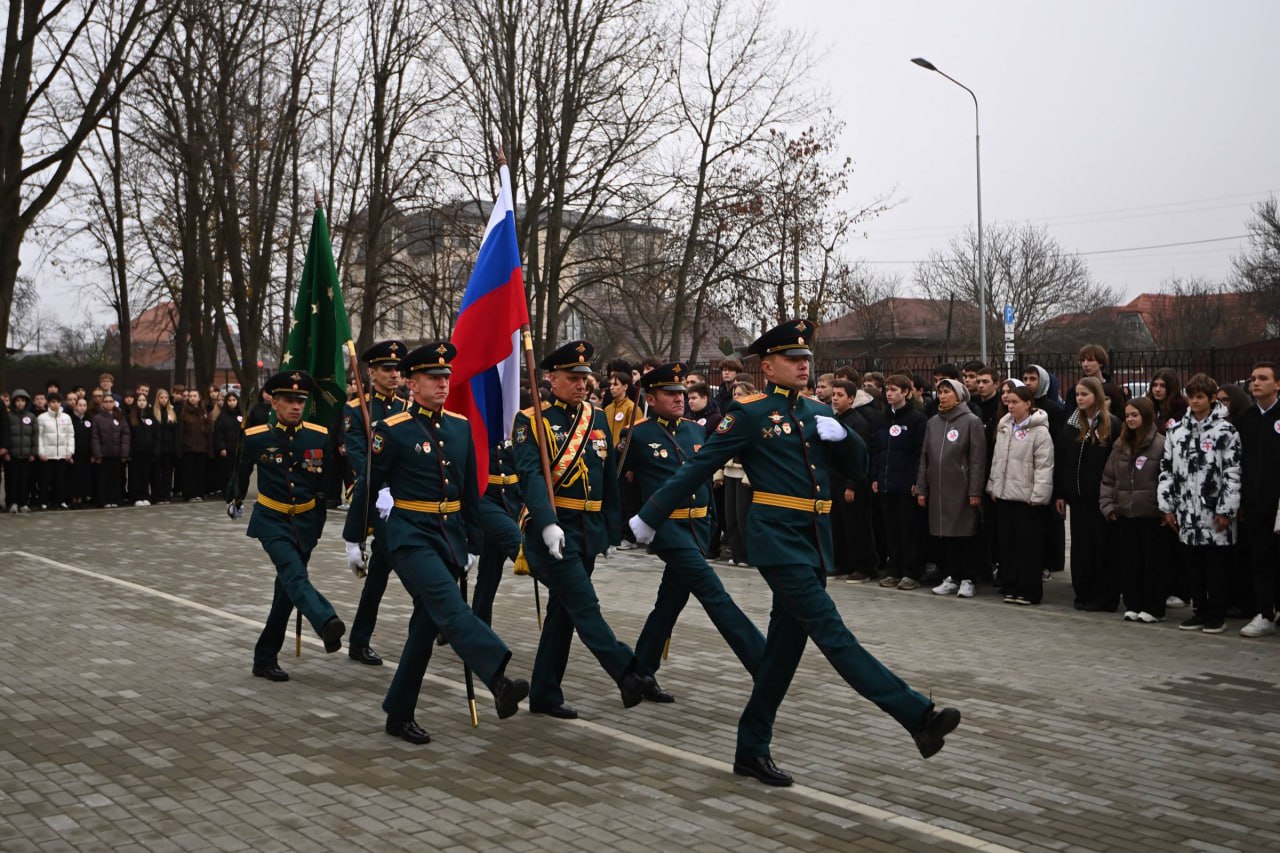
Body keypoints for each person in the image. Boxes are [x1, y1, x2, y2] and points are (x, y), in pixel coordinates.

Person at [631, 320, 961, 788]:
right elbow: (699, 467)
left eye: (807, 359)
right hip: (777, 540)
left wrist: (845, 436)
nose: (804, 366)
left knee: (783, 654)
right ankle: (917, 716)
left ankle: (750, 749)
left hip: (813, 539)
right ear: (767, 367)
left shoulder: (816, 411)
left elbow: (858, 469)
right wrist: (649, 515)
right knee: (833, 634)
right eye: (793, 359)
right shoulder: (747, 413)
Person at [354, 343, 530, 743]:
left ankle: (399, 713)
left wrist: (472, 540)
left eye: (446, 377)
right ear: (412, 384)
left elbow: (470, 492)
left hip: (448, 537)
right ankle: (499, 680)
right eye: (434, 378)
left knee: (423, 627)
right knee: (451, 608)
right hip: (410, 538)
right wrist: (355, 536)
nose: (444, 383)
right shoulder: (392, 429)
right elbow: (369, 485)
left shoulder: (460, 426)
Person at [510, 339, 654, 720]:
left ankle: (544, 692)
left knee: (565, 612)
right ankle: (627, 672)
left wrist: (610, 528)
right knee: (585, 605)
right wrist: (547, 523)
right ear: (551, 378)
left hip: (587, 530)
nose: (581, 385)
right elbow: (532, 477)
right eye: (573, 378)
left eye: (585, 378)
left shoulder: (598, 417)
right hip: (553, 533)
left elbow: (609, 477)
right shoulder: (531, 420)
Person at [621, 362, 765, 701]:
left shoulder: (694, 430)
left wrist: (712, 521)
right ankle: (763, 662)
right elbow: (618, 485)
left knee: (670, 601)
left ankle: (639, 674)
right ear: (651, 398)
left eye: (681, 394)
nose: (678, 399)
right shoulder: (637, 434)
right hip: (668, 529)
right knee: (713, 592)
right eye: (670, 394)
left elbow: (702, 476)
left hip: (698, 527)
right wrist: (629, 526)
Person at [228, 371, 346, 682]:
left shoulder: (318, 436)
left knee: (287, 592)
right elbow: (241, 472)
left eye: (301, 401)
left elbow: (325, 484)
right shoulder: (256, 437)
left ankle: (264, 658)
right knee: (294, 575)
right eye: (290, 401)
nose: (296, 406)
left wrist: (318, 522)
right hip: (271, 519)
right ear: (274, 402)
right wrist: (236, 499)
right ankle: (326, 622)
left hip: (305, 522)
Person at [341, 340, 410, 666]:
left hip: (407, 500)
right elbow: (359, 458)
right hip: (378, 501)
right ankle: (443, 618)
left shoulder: (406, 409)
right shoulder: (356, 410)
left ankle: (359, 640)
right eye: (387, 369)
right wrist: (382, 487)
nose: (394, 374)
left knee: (382, 573)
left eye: (397, 369)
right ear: (371, 372)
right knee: (411, 567)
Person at [1158, 374, 1241, 634]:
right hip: (1186, 512)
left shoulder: (1226, 431)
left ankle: (1216, 613)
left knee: (1214, 565)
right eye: (1191, 396)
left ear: (1212, 398)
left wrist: (1226, 509)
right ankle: (1199, 610)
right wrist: (1167, 506)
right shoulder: (1176, 431)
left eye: (1200, 396)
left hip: (1214, 511)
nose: (1195, 401)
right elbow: (1166, 470)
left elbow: (1233, 472)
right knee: (1192, 564)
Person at [1099, 397, 1171, 623]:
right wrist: (1108, 506)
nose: (1130, 419)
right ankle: (1133, 603)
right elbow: (1108, 478)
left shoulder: (1161, 444)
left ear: (1146, 417)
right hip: (1125, 513)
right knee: (1130, 562)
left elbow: (1168, 478)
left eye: (1135, 415)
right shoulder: (1120, 446)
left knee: (1152, 562)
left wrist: (1165, 509)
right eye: (1127, 415)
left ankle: (1153, 606)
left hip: (1150, 514)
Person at [1055, 375, 1121, 612]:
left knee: (1102, 548)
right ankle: (1083, 593)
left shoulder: (1110, 424)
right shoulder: (1073, 424)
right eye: (1077, 395)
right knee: (1081, 549)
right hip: (1078, 499)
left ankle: (1104, 596)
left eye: (1085, 394)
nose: (1080, 399)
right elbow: (1064, 461)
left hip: (1100, 500)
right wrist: (1061, 493)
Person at [986, 386, 1054, 605]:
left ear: (1028, 404)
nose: (1011, 405)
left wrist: (1038, 495)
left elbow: (1044, 466)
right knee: (1007, 544)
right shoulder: (1005, 426)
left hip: (1027, 499)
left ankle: (1029, 590)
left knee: (1028, 546)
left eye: (1016, 402)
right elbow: (997, 460)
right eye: (1009, 402)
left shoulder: (1040, 432)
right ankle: (1011, 585)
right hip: (1005, 495)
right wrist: (994, 487)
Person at [920, 380, 987, 599]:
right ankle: (952, 576)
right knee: (945, 535)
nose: (942, 396)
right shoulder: (933, 423)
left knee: (964, 534)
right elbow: (925, 457)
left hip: (962, 488)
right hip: (939, 488)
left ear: (958, 396)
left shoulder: (971, 421)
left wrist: (975, 490)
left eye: (947, 392)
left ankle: (968, 578)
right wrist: (922, 487)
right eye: (939, 392)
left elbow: (977, 459)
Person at [1236, 362, 1280, 638]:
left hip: (1279, 504)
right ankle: (1264, 612)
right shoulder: (1247, 418)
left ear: (1277, 384)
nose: (1256, 383)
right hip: (1254, 502)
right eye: (1253, 379)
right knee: (1260, 558)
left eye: (1263, 378)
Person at [872, 374, 928, 590]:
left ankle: (911, 571)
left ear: (906, 392)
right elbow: (877, 449)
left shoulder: (916, 419)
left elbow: (918, 452)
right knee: (891, 529)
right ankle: (893, 569)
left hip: (906, 483)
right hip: (886, 482)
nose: (889, 393)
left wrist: (916, 479)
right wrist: (876, 476)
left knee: (908, 529)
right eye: (887, 389)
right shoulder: (881, 418)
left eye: (894, 390)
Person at [830, 379, 878, 581]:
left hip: (852, 482)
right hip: (834, 480)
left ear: (851, 398)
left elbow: (859, 456)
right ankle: (842, 563)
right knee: (838, 525)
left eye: (839, 395)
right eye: (833, 395)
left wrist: (852, 484)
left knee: (856, 526)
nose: (834, 399)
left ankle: (864, 567)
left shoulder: (858, 423)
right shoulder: (833, 420)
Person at [719, 381, 756, 567]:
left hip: (745, 473)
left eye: (740, 394)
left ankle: (749, 555)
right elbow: (720, 445)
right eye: (734, 394)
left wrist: (751, 475)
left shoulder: (755, 417)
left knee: (744, 517)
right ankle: (737, 552)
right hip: (729, 470)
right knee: (730, 516)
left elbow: (760, 451)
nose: (736, 398)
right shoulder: (730, 417)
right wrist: (719, 472)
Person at [91, 392, 130, 508]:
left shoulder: (120, 417)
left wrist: (124, 453)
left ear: (114, 403)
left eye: (110, 401)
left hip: (117, 454)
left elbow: (126, 435)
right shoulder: (97, 418)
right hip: (104, 454)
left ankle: (115, 499)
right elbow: (95, 437)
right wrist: (97, 454)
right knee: (103, 479)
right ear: (102, 404)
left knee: (116, 478)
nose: (108, 404)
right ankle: (104, 500)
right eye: (106, 401)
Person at [36, 393, 74, 510]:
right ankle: (44, 501)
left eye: (57, 402)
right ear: (48, 403)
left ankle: (60, 501)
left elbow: (70, 436)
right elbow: (39, 437)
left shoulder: (66, 417)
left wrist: (69, 452)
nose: (55, 404)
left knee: (60, 480)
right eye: (53, 402)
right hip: (48, 455)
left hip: (62, 455)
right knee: (45, 480)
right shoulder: (42, 417)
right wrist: (41, 452)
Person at [5, 390, 37, 512]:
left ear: (26, 402)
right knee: (11, 480)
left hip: (26, 455)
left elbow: (35, 436)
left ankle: (23, 503)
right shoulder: (8, 416)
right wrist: (6, 452)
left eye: (22, 401)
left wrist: (33, 452)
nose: (20, 403)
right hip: (12, 455)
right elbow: (5, 434)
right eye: (17, 401)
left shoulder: (31, 417)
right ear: (13, 402)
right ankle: (12, 503)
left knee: (25, 480)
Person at [1078, 344, 1128, 420]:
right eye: (1082, 360)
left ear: (1101, 363)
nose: (1085, 364)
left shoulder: (1114, 390)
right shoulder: (1075, 390)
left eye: (1090, 360)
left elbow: (1121, 417)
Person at [179, 389, 210, 501]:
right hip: (188, 448)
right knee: (189, 473)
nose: (192, 398)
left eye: (194, 396)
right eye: (190, 396)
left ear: (199, 398)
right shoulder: (184, 412)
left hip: (202, 447)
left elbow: (208, 429)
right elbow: (181, 431)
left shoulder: (203, 412)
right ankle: (189, 494)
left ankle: (199, 493)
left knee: (200, 472)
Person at [126, 393, 156, 506]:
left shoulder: (151, 416)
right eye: (139, 400)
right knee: (135, 475)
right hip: (135, 451)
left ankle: (145, 496)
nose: (142, 402)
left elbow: (155, 433)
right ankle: (136, 497)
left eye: (144, 400)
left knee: (145, 474)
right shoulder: (131, 417)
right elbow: (128, 435)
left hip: (148, 451)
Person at [211, 391, 243, 496]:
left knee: (239, 472)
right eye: (229, 400)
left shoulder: (241, 415)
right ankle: (227, 491)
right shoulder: (222, 416)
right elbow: (218, 433)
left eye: (234, 400)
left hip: (239, 449)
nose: (232, 402)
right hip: (227, 449)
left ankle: (238, 491)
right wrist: (221, 447)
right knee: (227, 472)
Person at [151, 388, 179, 503]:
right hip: (157, 448)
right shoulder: (153, 412)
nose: (164, 400)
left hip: (169, 448)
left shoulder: (171, 412)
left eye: (166, 398)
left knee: (167, 473)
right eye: (161, 397)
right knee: (157, 473)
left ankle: (166, 494)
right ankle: (157, 495)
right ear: (157, 399)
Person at [69, 397, 94, 509]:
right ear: (76, 406)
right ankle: (73, 499)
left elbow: (92, 437)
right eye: (80, 405)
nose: (82, 407)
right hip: (74, 453)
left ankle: (81, 499)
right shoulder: (71, 419)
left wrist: (92, 453)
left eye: (84, 405)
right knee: (74, 476)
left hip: (86, 453)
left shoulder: (89, 419)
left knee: (84, 476)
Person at [1147, 368, 1187, 435]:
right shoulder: (1148, 404)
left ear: (1171, 387)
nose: (1157, 389)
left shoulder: (1181, 407)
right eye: (1155, 385)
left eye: (1163, 386)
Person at [603, 370, 637, 447]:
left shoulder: (632, 408)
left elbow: (635, 435)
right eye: (610, 384)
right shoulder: (607, 409)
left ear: (625, 386)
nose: (611, 388)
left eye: (615, 384)